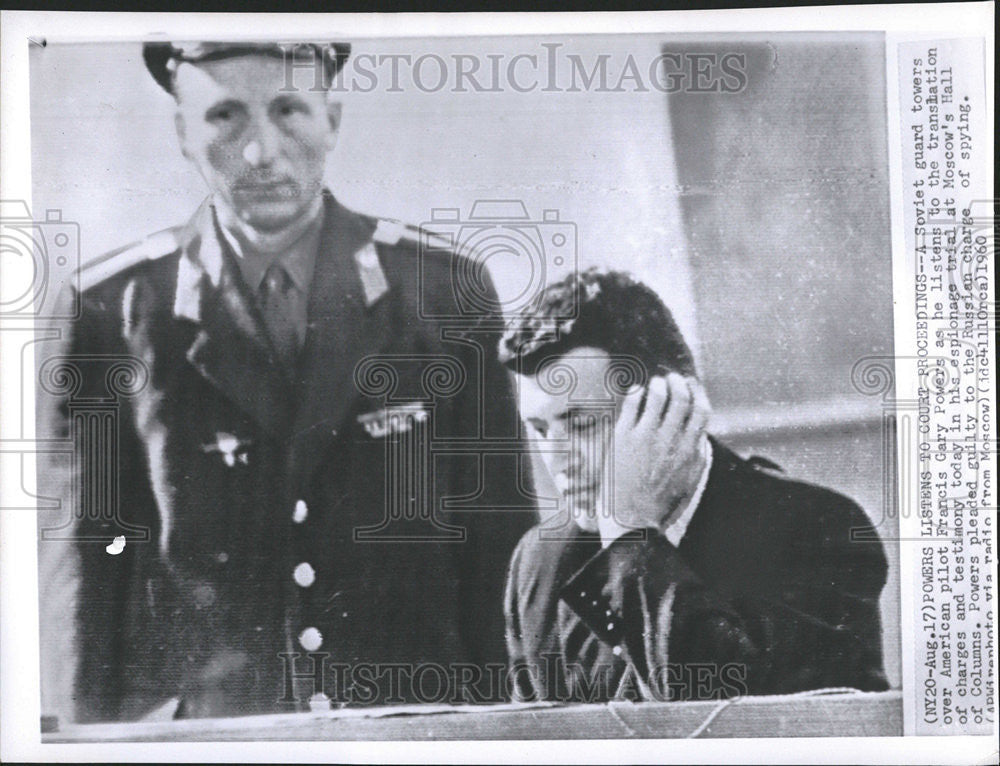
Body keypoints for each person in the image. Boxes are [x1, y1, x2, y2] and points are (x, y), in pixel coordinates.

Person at [39, 41, 534, 722]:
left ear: (333, 118)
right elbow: (84, 589)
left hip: (416, 733)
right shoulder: (112, 310)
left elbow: (503, 563)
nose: (259, 152)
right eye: (225, 117)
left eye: (288, 110)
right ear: (182, 133)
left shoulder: (443, 292)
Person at [500, 268, 890, 703]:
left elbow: (723, 721)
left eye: (584, 424)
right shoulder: (539, 563)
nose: (557, 460)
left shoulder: (815, 530)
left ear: (673, 409)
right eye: (539, 430)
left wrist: (631, 533)